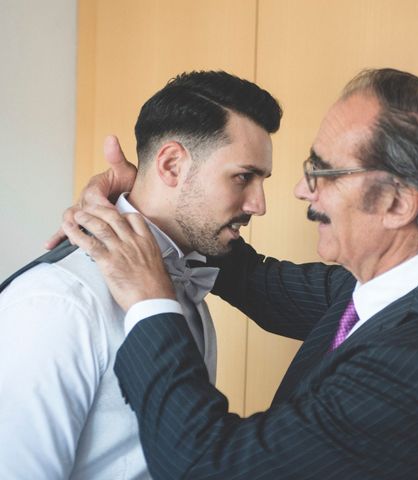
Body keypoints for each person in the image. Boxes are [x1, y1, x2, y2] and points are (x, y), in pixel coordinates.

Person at [62, 68, 418, 479]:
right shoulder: (406, 285)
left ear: (397, 203)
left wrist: (149, 299)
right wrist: (148, 211)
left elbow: (207, 466)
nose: (302, 190)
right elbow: (263, 284)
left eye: (323, 171)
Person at [0, 70, 281, 479]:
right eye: (243, 176)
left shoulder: (187, 285)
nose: (258, 204)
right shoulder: (57, 303)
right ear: (170, 165)